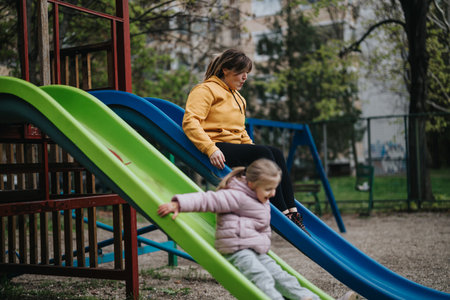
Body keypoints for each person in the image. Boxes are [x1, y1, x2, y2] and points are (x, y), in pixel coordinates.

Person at [182, 48, 309, 234]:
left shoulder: (239, 98)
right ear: (226, 69)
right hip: (215, 145)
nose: (245, 78)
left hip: (234, 147)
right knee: (263, 153)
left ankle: (292, 211)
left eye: (247, 74)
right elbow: (190, 121)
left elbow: (241, 132)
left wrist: (252, 150)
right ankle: (281, 213)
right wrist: (210, 148)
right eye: (241, 72)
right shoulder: (205, 90)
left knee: (275, 152)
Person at [158, 159, 320, 300]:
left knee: (281, 276)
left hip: (255, 250)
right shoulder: (236, 195)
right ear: (251, 184)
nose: (273, 193)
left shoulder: (260, 198)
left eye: (274, 188)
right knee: (262, 277)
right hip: (236, 249)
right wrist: (178, 203)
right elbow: (208, 199)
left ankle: (307, 298)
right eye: (268, 189)